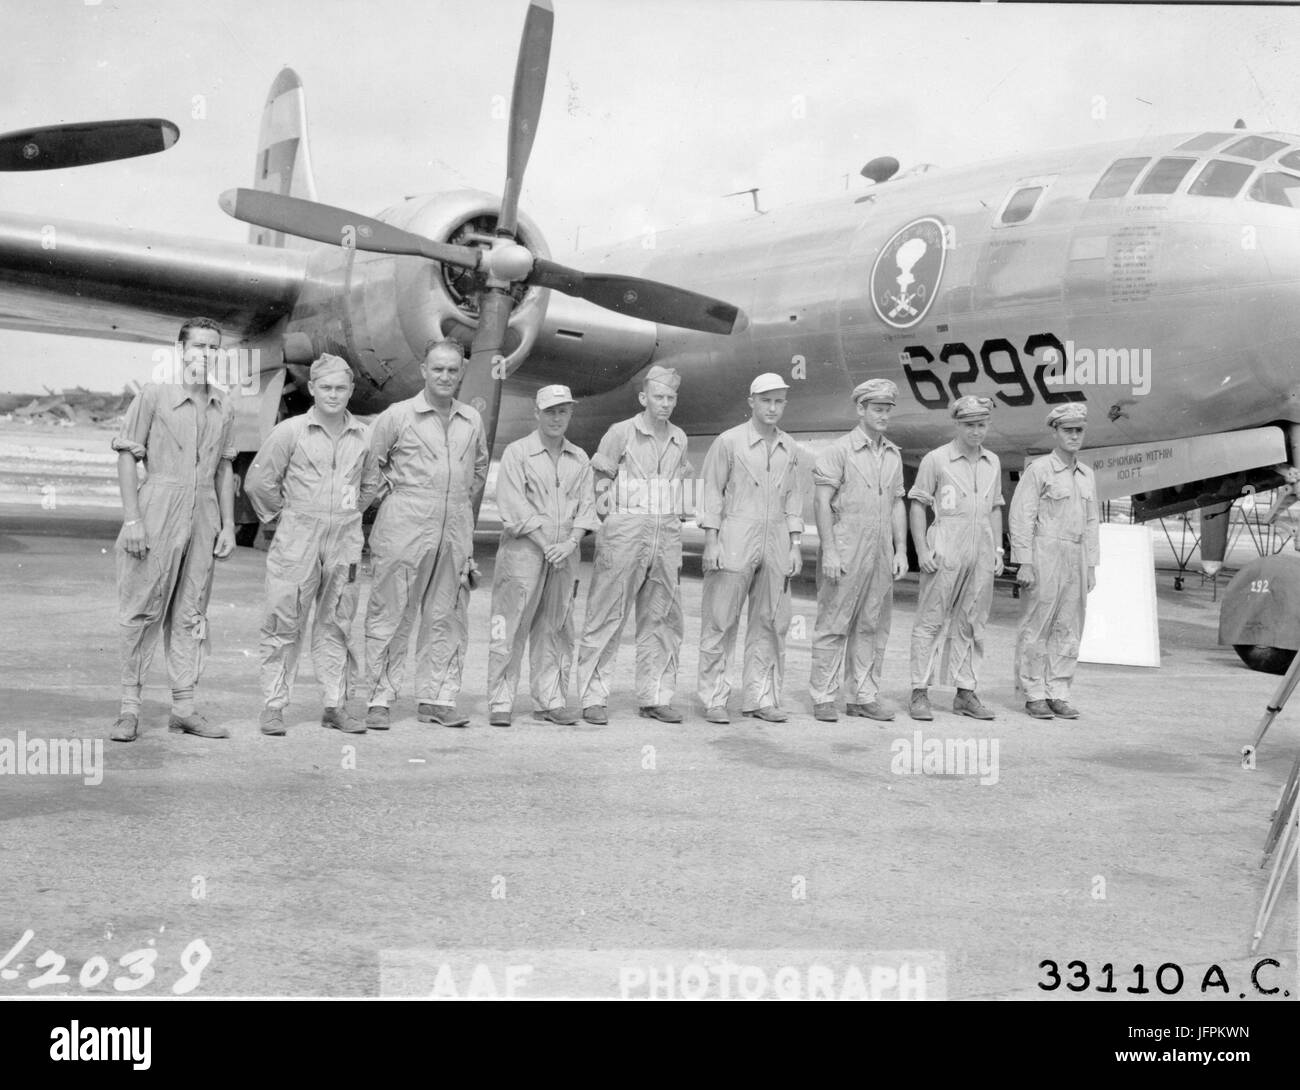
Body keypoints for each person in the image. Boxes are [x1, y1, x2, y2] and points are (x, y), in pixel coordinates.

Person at [109, 317, 236, 742]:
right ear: (181, 350)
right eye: (197, 345)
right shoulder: (153, 395)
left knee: (191, 610)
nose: (204, 354)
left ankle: (184, 707)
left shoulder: (224, 404)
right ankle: (130, 708)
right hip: (158, 504)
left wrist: (229, 524)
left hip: (204, 513)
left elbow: (224, 468)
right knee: (142, 607)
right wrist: (133, 519)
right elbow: (128, 455)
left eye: (212, 347)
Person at [361, 340, 488, 731]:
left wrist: (456, 508)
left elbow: (478, 468)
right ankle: (379, 698)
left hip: (455, 525)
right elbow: (371, 466)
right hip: (405, 523)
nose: (445, 377)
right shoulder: (398, 416)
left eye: (452, 370)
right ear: (423, 370)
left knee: (447, 615)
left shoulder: (472, 420)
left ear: (461, 371)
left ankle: (437, 698)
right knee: (392, 611)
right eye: (438, 369)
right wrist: (397, 501)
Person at [245, 354, 372, 735]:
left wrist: (348, 513)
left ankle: (335, 705)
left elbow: (370, 484)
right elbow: (259, 482)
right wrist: (285, 518)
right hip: (297, 538)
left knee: (337, 623)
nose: (334, 395)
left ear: (351, 391)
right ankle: (273, 706)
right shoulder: (291, 431)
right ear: (312, 389)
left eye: (341, 388)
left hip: (345, 541)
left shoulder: (365, 436)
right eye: (326, 388)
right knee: (283, 622)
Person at [574, 365, 694, 725]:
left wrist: (676, 518)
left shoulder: (679, 437)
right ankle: (593, 697)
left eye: (671, 398)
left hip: (665, 537)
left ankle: (654, 697)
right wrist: (609, 520)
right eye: (659, 397)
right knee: (606, 614)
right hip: (625, 536)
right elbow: (599, 478)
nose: (665, 404)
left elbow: (679, 482)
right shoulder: (621, 433)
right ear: (644, 398)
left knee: (662, 619)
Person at [486, 385, 600, 727]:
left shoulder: (579, 457)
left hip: (565, 554)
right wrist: (544, 541)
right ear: (536, 413)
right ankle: (500, 701)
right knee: (509, 625)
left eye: (563, 411)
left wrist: (570, 542)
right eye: (550, 411)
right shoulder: (517, 453)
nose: (556, 418)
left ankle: (550, 700)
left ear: (570, 414)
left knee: (557, 627)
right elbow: (512, 503)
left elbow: (588, 505)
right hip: (524, 552)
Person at [697, 372, 804, 724]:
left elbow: (793, 498)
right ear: (751, 402)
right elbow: (712, 491)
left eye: (779, 401)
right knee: (721, 620)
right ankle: (714, 698)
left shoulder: (789, 447)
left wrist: (795, 544)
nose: (772, 408)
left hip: (776, 540)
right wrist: (711, 541)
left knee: (772, 622)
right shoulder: (728, 442)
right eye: (766, 401)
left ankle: (761, 698)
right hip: (735, 536)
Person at [808, 378, 908, 722]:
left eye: (887, 410)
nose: (883, 415)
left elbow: (897, 503)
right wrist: (831, 551)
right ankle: (823, 696)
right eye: (877, 409)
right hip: (847, 549)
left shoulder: (893, 455)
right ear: (860, 409)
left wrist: (900, 550)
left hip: (880, 553)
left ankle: (862, 696)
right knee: (834, 623)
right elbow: (821, 503)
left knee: (872, 625)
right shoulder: (838, 452)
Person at [907, 394, 1005, 721]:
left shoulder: (992, 461)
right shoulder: (937, 459)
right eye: (969, 425)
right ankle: (919, 691)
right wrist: (922, 549)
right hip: (946, 541)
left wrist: (999, 551)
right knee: (931, 619)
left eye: (981, 424)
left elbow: (994, 507)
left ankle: (965, 692)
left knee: (973, 621)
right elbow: (918, 504)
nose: (976, 431)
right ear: (957, 425)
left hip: (981, 547)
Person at [1009, 403, 1099, 719]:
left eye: (1079, 430)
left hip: (1075, 555)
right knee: (1037, 626)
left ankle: (1058, 692)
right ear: (1055, 432)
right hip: (1045, 552)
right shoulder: (1039, 470)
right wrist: (1024, 561)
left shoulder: (1087, 475)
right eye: (1068, 430)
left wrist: (1090, 565)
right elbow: (1022, 516)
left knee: (1069, 628)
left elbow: (1091, 523)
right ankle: (1033, 693)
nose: (1074, 436)